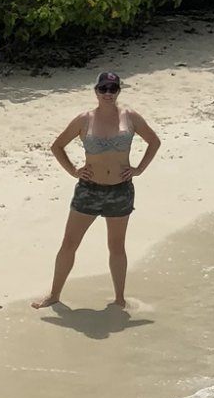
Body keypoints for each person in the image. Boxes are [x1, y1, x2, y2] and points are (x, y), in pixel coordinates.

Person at [33, 70, 161, 311]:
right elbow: (57, 146)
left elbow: (154, 142)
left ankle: (119, 299)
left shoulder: (130, 117)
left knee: (116, 246)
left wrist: (139, 169)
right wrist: (73, 171)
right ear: (96, 91)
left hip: (120, 190)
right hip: (89, 190)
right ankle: (54, 294)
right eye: (103, 89)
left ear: (119, 91)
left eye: (113, 89)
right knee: (70, 242)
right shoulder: (84, 119)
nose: (108, 94)